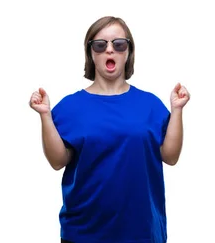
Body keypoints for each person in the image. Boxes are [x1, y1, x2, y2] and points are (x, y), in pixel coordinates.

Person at [29, 16, 190, 243]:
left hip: (142, 232)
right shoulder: (70, 106)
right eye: (100, 45)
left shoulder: (150, 104)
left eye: (119, 44)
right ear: (91, 53)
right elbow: (58, 161)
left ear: (128, 52)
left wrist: (177, 110)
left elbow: (170, 156)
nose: (110, 50)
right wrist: (45, 115)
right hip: (83, 232)